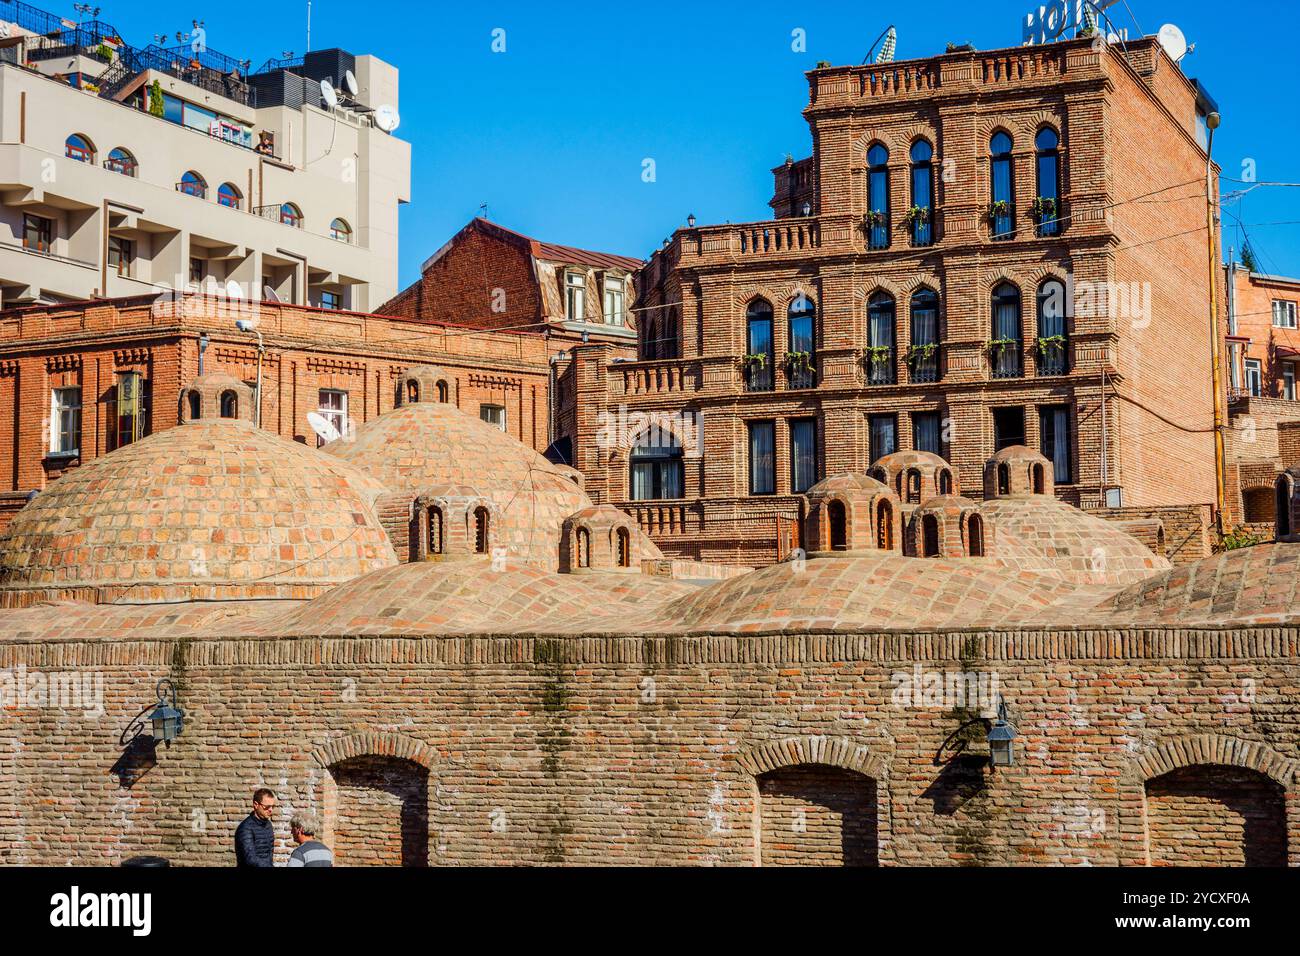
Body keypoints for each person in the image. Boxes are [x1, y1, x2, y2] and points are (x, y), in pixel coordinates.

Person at [234, 788, 276, 867]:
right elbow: (250, 859)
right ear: (256, 805)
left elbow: (269, 855)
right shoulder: (245, 828)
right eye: (267, 807)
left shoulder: (268, 825)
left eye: (272, 806)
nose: (270, 810)